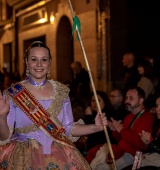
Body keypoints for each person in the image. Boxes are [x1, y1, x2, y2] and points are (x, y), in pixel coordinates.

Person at [0, 41, 108, 170]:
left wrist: (95, 127)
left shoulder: (61, 91)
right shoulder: (13, 93)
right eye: (34, 59)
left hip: (58, 154)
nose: (39, 64)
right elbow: (5, 136)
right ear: (27, 62)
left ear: (50, 62)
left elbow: (68, 129)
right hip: (24, 158)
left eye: (44, 59)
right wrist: (1, 116)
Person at [85, 87, 155, 170]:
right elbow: (121, 138)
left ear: (141, 101)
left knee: (102, 167)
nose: (127, 101)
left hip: (133, 155)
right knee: (95, 163)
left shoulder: (146, 117)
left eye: (131, 98)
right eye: (126, 98)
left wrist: (121, 129)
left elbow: (140, 144)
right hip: (121, 151)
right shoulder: (129, 116)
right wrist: (115, 130)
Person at [139, 92, 160, 169]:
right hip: (155, 160)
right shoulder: (159, 123)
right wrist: (146, 142)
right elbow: (153, 147)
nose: (157, 109)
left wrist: (151, 143)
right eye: (156, 106)